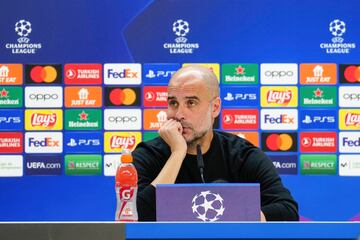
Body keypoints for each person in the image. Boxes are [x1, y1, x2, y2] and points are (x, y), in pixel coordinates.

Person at [132, 65, 299, 221]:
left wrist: (228, 214)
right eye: (173, 103)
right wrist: (177, 154)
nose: (179, 114)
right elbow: (136, 216)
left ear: (215, 108)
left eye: (191, 103)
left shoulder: (242, 155)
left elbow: (287, 212)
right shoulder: (146, 155)